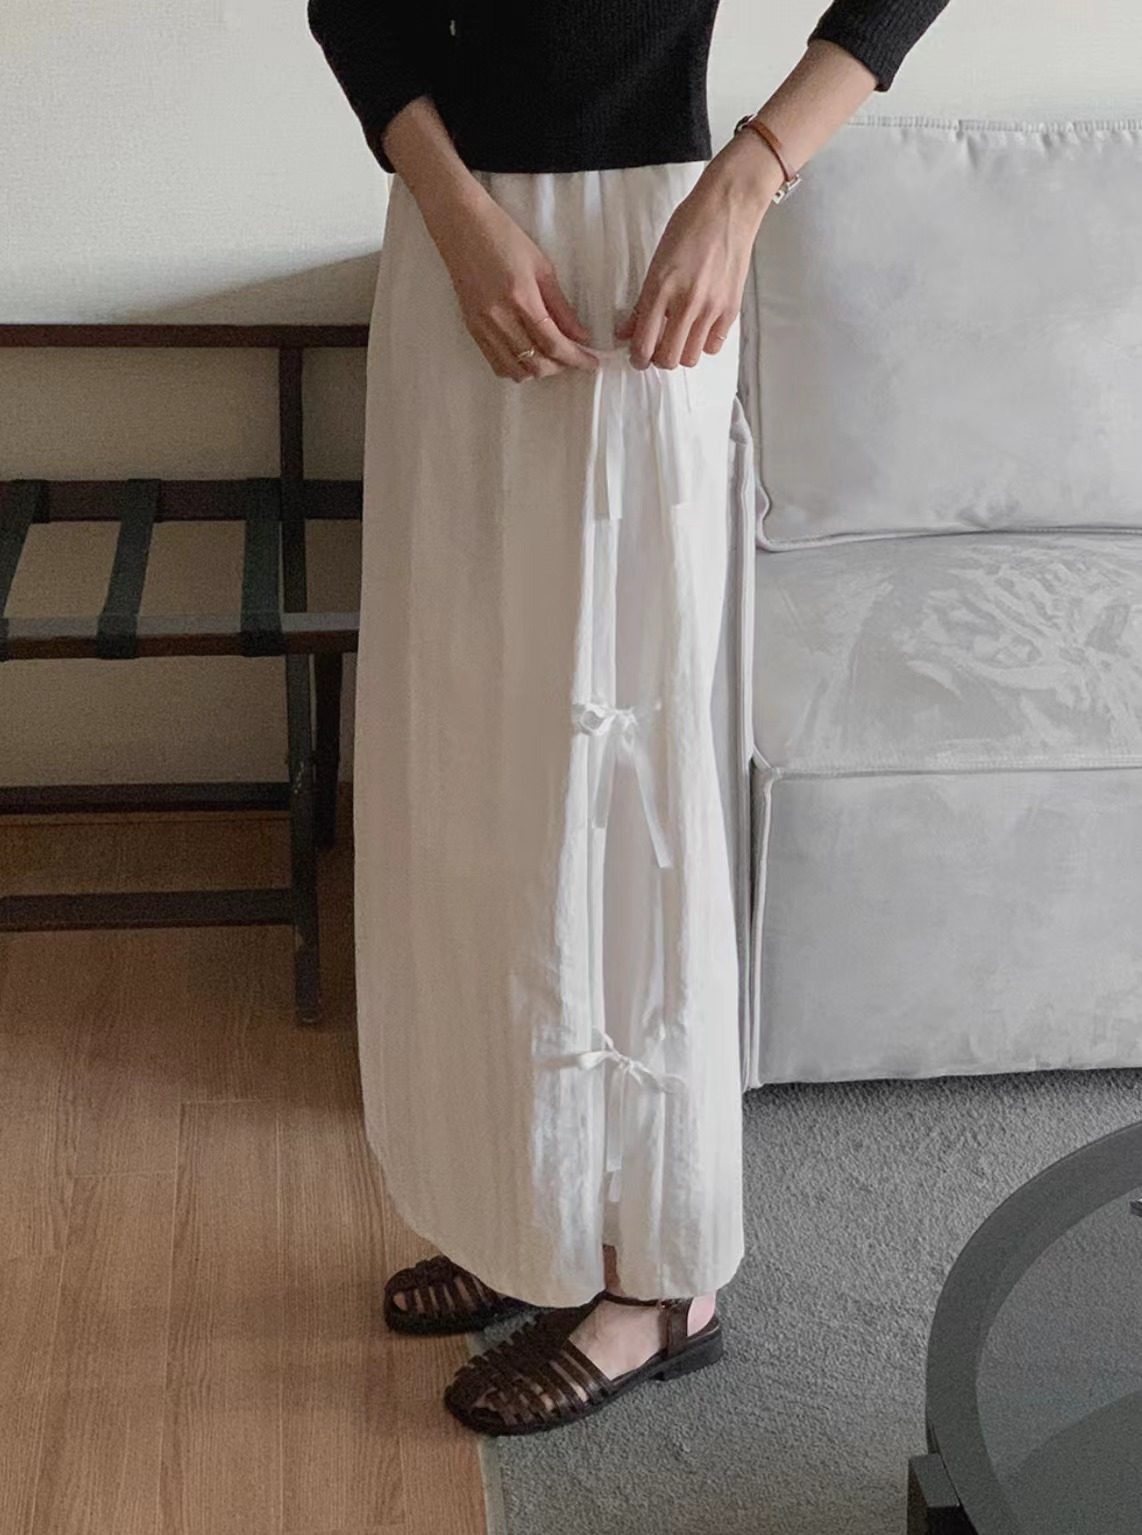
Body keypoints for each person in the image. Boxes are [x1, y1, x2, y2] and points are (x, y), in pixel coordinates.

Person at [308, 0, 950, 1437]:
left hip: (651, 250)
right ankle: (526, 1210)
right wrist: (452, 209)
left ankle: (658, 1285)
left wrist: (751, 176)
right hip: (456, 254)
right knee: (470, 759)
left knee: (626, 766)